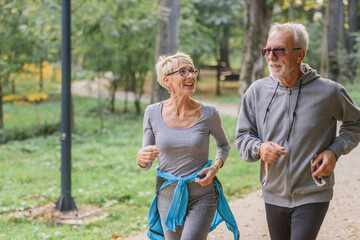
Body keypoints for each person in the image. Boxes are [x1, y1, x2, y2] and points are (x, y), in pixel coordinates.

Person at [235, 22, 360, 240]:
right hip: (272, 192)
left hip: (313, 192)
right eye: (267, 50)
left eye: (279, 50)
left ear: (300, 54)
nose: (271, 57)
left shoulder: (329, 92)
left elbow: (356, 122)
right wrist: (259, 148)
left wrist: (335, 151)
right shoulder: (257, 91)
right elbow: (243, 136)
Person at [137, 52, 239, 240]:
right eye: (183, 72)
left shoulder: (209, 113)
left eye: (192, 71)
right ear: (167, 80)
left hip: (203, 196)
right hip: (168, 197)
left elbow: (224, 145)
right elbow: (146, 162)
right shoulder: (152, 113)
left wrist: (215, 168)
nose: (191, 76)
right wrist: (141, 159)